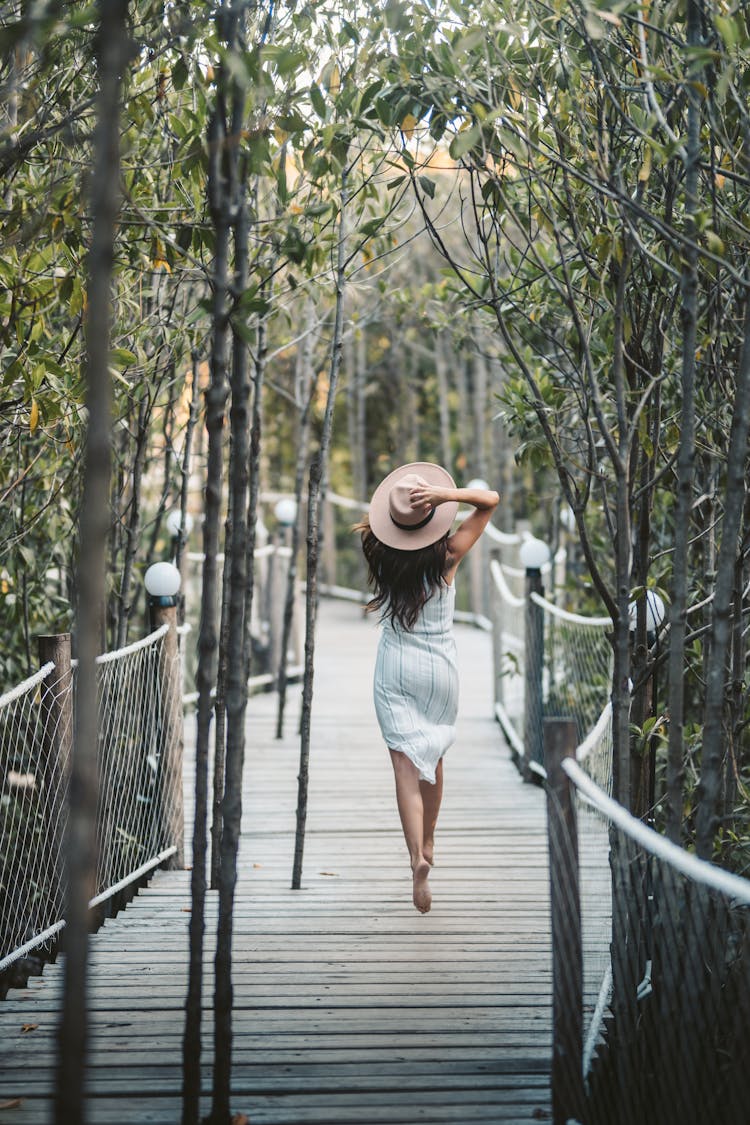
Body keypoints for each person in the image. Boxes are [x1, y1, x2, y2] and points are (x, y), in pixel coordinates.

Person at [358, 462, 500, 913]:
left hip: (395, 665)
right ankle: (432, 838)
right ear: (432, 519)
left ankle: (415, 855)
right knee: (432, 757)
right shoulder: (448, 557)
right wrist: (448, 497)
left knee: (403, 764)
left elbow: (380, 523)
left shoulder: (377, 551)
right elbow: (491, 501)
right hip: (439, 669)